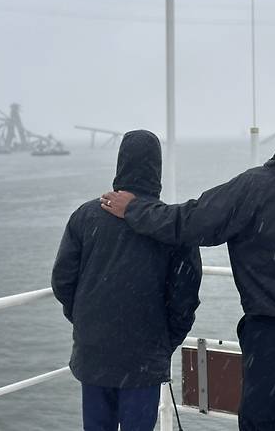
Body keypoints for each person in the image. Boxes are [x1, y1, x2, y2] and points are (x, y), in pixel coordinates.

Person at [101, 104, 275, 431]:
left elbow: (191, 221)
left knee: (259, 423)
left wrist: (135, 209)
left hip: (267, 333)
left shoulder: (255, 187)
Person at [52, 129, 202, 431]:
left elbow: (63, 282)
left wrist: (85, 319)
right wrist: (165, 340)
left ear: (120, 163)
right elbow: (186, 296)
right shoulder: (170, 225)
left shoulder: (85, 217)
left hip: (94, 351)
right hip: (143, 356)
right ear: (156, 168)